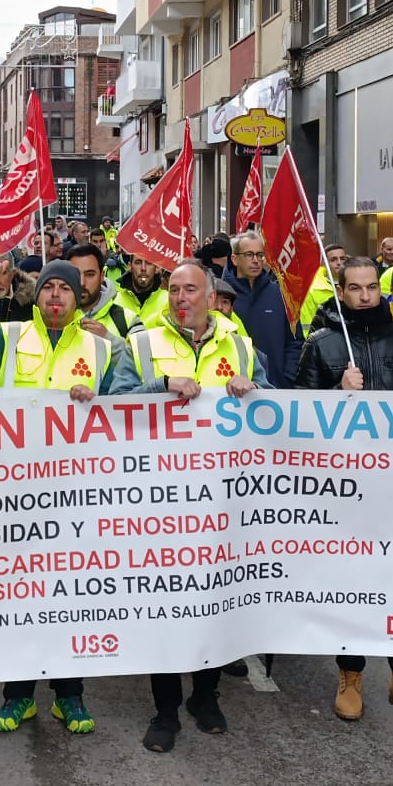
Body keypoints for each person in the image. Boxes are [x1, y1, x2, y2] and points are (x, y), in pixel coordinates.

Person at [0, 256, 138, 737]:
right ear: (36, 297)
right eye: (47, 288)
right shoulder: (11, 337)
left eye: (65, 288)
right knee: (20, 597)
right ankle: (18, 696)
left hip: (77, 495)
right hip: (14, 493)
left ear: (80, 298)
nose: (55, 295)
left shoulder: (102, 349)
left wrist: (98, 400)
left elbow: (128, 406)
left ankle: (69, 695)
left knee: (69, 598)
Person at [294, 258, 393, 722]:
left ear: (381, 291)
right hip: (343, 489)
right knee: (353, 585)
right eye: (354, 288)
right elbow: (296, 416)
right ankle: (350, 674)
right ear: (340, 290)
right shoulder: (321, 344)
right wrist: (338, 391)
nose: (364, 296)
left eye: (371, 288)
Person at [129, 261, 266, 753]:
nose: (180, 297)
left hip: (223, 502)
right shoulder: (143, 343)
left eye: (190, 289)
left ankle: (205, 697)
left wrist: (253, 392)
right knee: (163, 607)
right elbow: (113, 399)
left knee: (213, 601)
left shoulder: (241, 344)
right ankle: (165, 709)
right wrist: (160, 387)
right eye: (173, 289)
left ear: (212, 295)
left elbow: (274, 405)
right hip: (158, 502)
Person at [223, 229, 300, 387]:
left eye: (260, 255)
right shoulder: (220, 296)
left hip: (275, 388)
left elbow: (295, 341)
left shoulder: (280, 294)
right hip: (233, 389)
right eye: (249, 255)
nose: (256, 260)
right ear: (235, 259)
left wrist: (286, 376)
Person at [112, 256, 168, 330]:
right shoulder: (115, 301)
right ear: (129, 267)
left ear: (157, 268)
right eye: (138, 263)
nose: (143, 268)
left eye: (148, 263)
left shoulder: (168, 301)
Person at [298, 243, 346, 329]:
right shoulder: (313, 289)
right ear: (324, 263)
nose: (339, 263)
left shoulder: (356, 285)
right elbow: (306, 325)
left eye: (342, 259)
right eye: (333, 259)